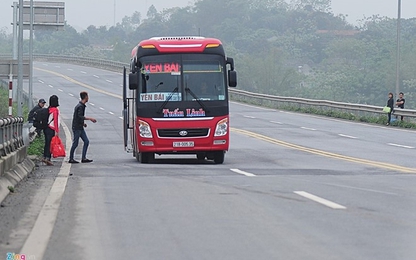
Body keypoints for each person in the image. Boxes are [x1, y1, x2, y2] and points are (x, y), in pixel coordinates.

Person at [69, 91, 97, 163]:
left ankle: (83, 158)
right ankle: (71, 158)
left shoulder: (81, 105)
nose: (88, 98)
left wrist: (83, 123)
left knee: (86, 141)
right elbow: (79, 116)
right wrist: (90, 119)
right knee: (75, 143)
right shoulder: (80, 106)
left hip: (80, 127)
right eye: (87, 96)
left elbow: (78, 117)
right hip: (77, 128)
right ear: (85, 97)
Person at [42, 95, 60, 166]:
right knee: (50, 144)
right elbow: (55, 121)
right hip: (51, 128)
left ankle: (44, 157)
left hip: (46, 128)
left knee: (47, 143)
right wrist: (57, 131)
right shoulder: (55, 110)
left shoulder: (48, 109)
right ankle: (48, 158)